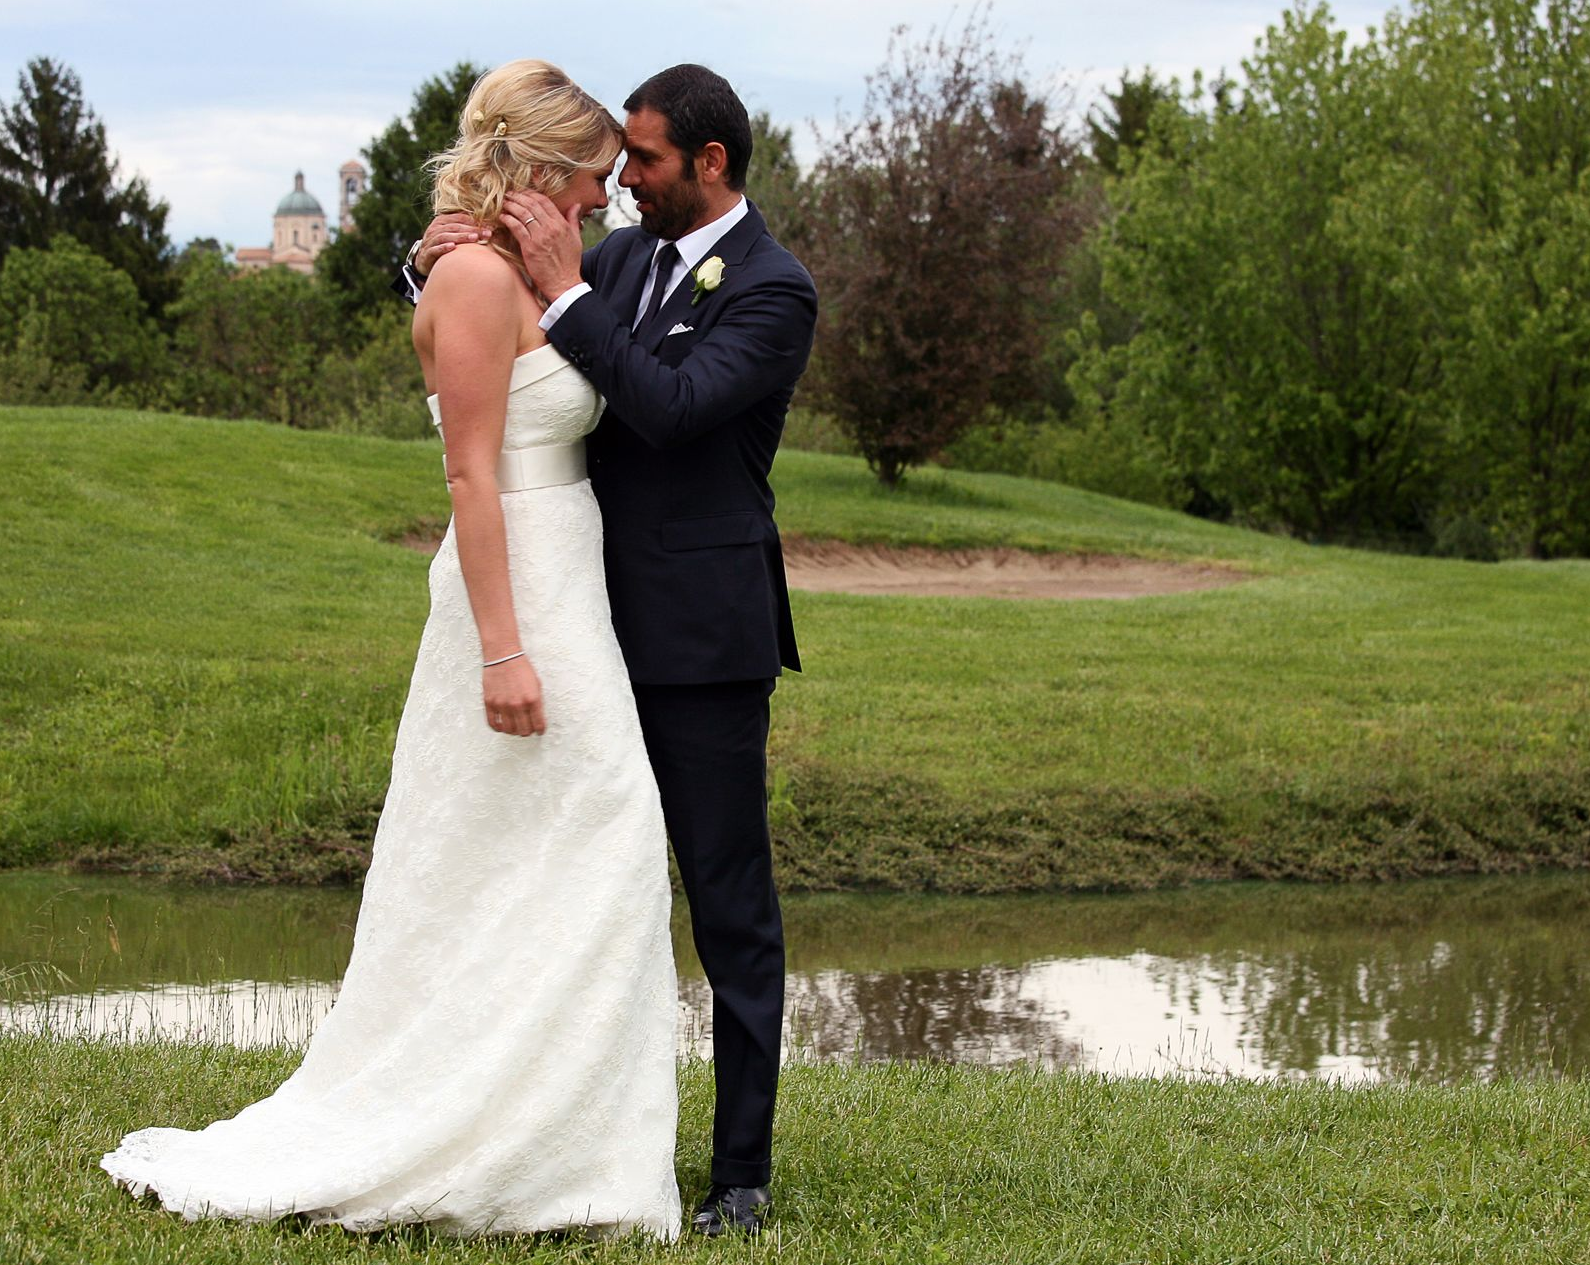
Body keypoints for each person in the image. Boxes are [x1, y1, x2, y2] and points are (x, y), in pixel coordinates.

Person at [100, 60, 682, 1242]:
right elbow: (470, 475)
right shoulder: (471, 278)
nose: (602, 197)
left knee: (573, 847)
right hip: (516, 592)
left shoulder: (521, 267)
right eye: (587, 176)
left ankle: (568, 1146)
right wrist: (502, 652)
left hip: (570, 580)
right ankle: (495, 1132)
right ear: (535, 167)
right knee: (601, 820)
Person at [401, 60, 818, 1238]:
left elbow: (672, 407)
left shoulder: (774, 290)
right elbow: (494, 323)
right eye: (617, 159)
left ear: (710, 163)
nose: (623, 181)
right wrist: (429, 257)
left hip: (700, 639)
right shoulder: (621, 255)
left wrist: (565, 289)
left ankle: (740, 1171)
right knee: (572, 881)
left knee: (728, 900)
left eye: (644, 159)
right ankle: (548, 1131)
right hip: (575, 618)